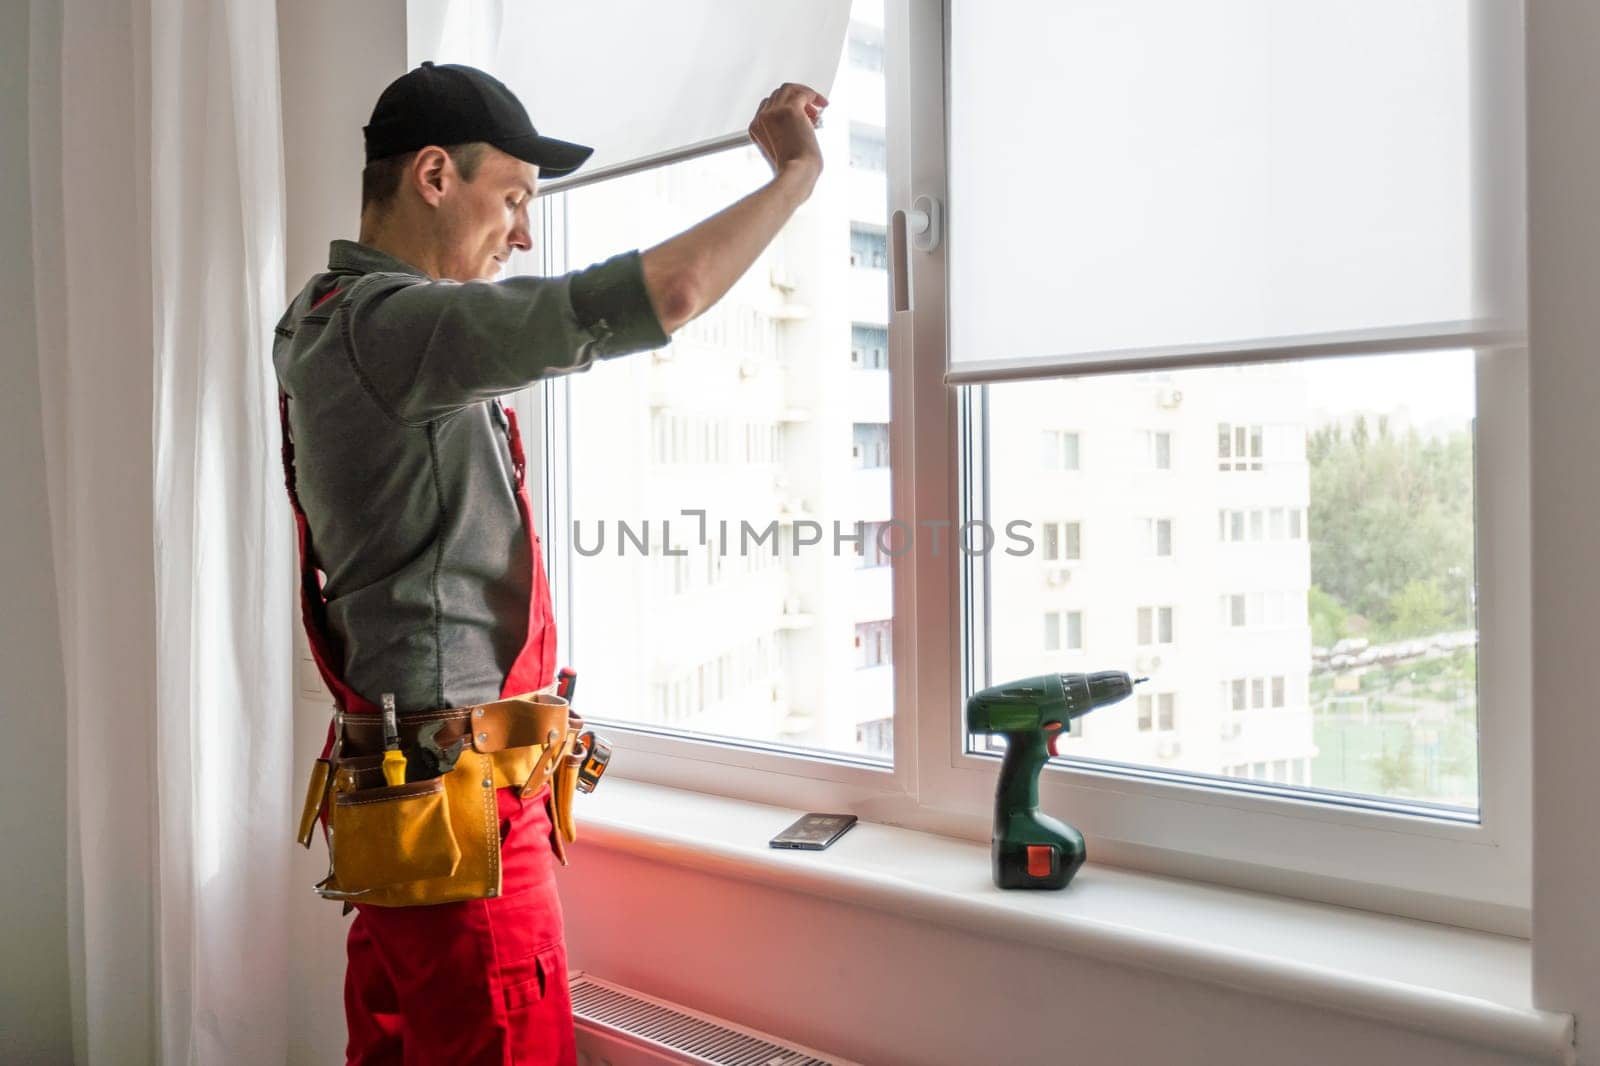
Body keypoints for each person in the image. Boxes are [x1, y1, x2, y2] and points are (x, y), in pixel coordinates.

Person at [272, 61, 827, 1065]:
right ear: (435, 175)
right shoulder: (391, 327)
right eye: (515, 197)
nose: (523, 232)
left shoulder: (318, 318)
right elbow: (670, 289)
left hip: (408, 814)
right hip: (461, 832)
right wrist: (793, 177)